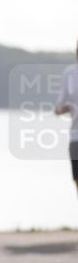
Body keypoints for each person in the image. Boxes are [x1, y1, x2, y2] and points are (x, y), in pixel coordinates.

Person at [55, 42, 78, 196]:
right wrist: (65, 108)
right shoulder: (69, 73)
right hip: (75, 135)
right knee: (77, 178)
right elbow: (58, 108)